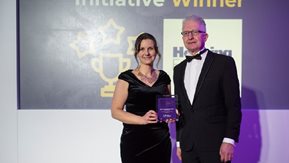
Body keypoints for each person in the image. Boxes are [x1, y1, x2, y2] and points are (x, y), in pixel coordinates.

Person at [173, 15, 242, 163]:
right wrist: (179, 142)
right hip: (188, 146)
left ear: (206, 36)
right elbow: (180, 109)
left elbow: (233, 105)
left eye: (195, 32)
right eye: (186, 33)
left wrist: (229, 140)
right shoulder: (178, 70)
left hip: (216, 145)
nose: (190, 37)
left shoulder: (224, 63)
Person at [111, 33, 172, 163]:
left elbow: (168, 108)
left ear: (156, 51)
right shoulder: (126, 77)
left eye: (150, 48)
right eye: (142, 49)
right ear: (137, 52)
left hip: (160, 140)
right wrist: (142, 119)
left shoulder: (164, 77)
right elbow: (115, 111)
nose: (147, 53)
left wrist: (172, 113)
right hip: (134, 141)